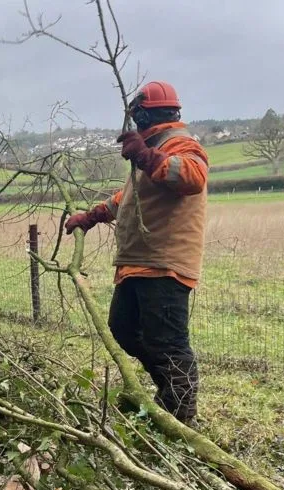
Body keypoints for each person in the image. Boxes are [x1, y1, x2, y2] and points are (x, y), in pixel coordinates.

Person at [64, 80, 208, 424]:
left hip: (164, 264)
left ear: (145, 116)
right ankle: (170, 392)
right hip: (138, 264)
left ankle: (181, 415)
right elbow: (125, 199)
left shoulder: (180, 144)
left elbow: (193, 177)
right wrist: (91, 217)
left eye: (136, 118)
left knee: (168, 344)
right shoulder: (152, 153)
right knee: (124, 329)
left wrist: (146, 154)